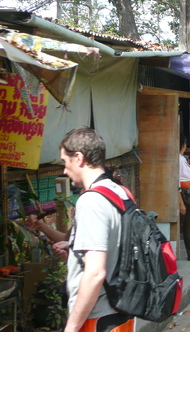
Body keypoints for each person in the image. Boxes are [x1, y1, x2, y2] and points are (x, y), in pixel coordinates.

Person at [56, 126, 135, 332]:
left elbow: (95, 273)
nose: (64, 170)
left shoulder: (91, 201)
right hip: (122, 311)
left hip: (98, 317)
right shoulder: (121, 192)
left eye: (65, 161)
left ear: (79, 158)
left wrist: (71, 328)